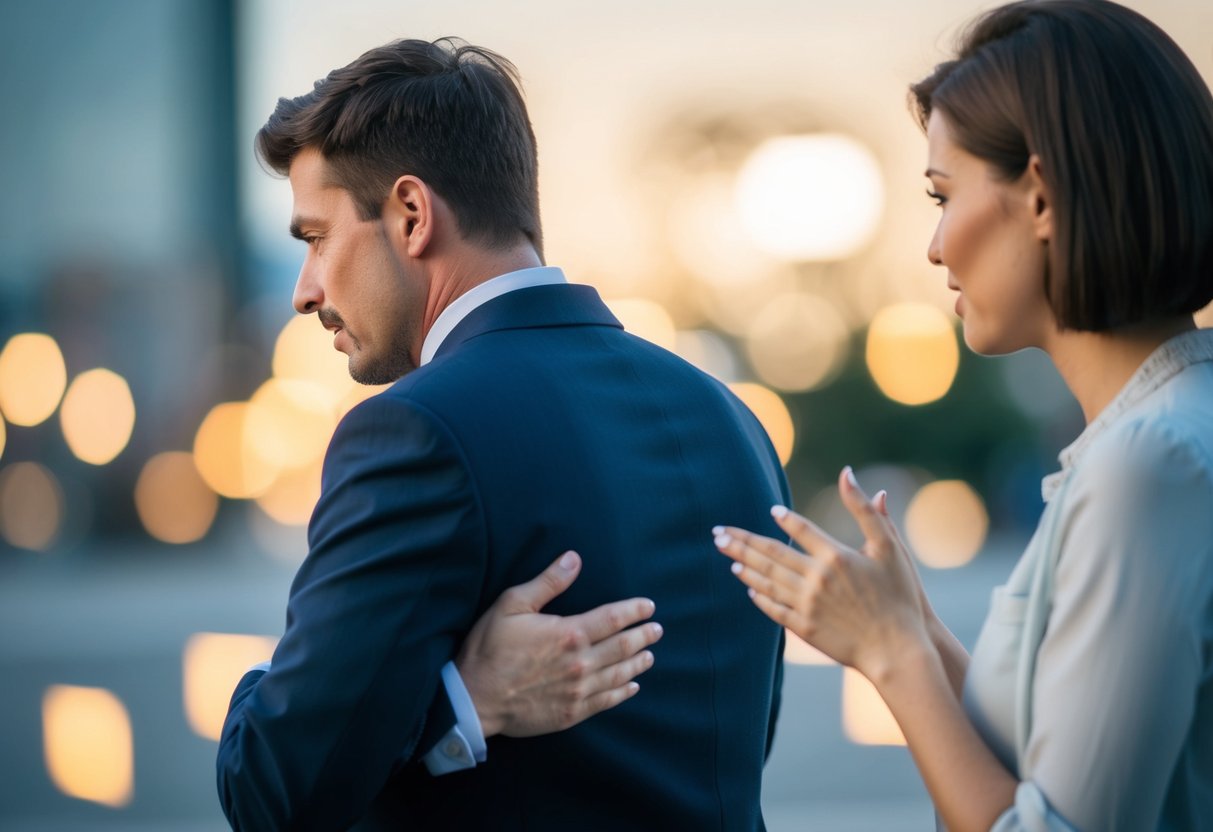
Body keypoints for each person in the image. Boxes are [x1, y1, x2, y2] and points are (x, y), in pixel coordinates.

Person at [215, 37, 790, 831]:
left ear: (411, 215)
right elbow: (737, 745)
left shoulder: (413, 433)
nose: (305, 292)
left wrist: (454, 701)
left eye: (315, 238)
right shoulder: (730, 419)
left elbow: (276, 789)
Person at [712, 1, 1213, 829]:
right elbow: (1038, 762)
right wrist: (915, 630)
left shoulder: (1148, 463)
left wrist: (892, 653)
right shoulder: (1156, 436)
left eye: (943, 195)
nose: (934, 246)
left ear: (1042, 198)